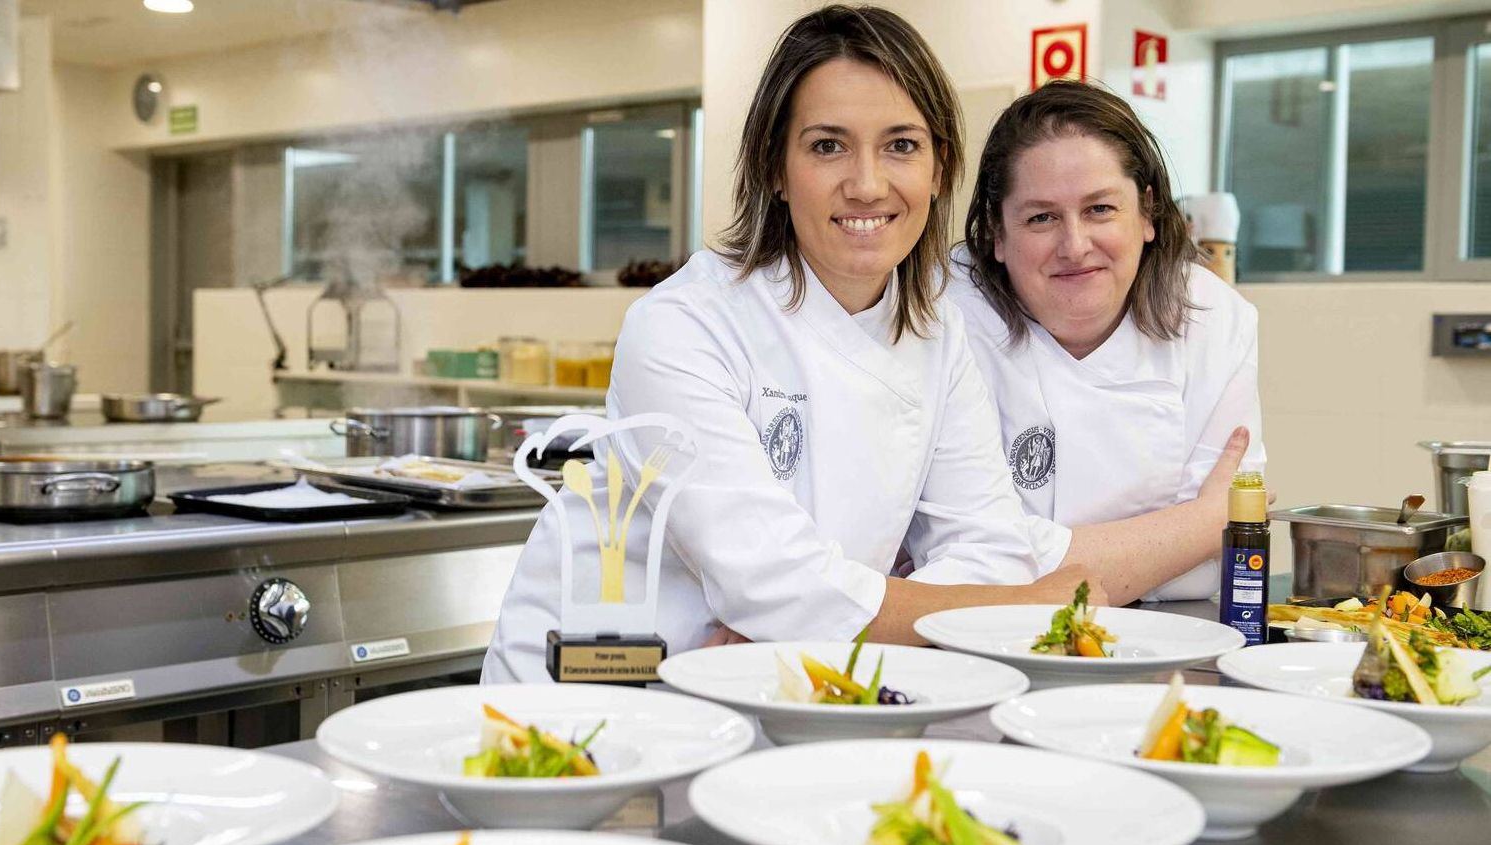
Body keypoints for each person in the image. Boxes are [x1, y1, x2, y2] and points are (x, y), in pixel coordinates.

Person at [482, 5, 1102, 684]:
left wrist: (812, 624)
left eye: (900, 145)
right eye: (827, 145)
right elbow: (768, 577)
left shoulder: (935, 333)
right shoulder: (685, 325)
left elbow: (989, 547)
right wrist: (1005, 608)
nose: (867, 184)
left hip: (800, 686)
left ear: (938, 168)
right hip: (604, 689)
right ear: (775, 168)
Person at [950, 80, 1264, 605]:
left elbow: (1220, 558)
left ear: (1146, 213)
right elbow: (964, 568)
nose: (1074, 246)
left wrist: (1212, 532)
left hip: (1171, 636)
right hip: (979, 644)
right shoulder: (944, 315)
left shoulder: (1213, 319)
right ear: (997, 235)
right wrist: (1199, 526)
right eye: (1041, 217)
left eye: (1100, 209)